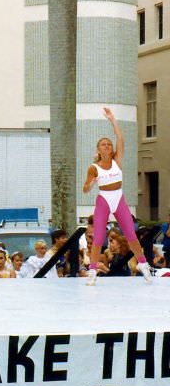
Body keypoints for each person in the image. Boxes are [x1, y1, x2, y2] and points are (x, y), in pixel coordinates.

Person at [82, 107, 151, 285]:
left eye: (109, 144)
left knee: (131, 235)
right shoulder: (93, 167)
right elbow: (85, 189)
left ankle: (143, 264)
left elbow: (120, 138)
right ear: (98, 149)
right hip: (104, 199)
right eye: (104, 144)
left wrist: (112, 119)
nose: (108, 145)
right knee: (98, 237)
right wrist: (92, 183)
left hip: (118, 198)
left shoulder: (116, 160)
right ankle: (92, 271)